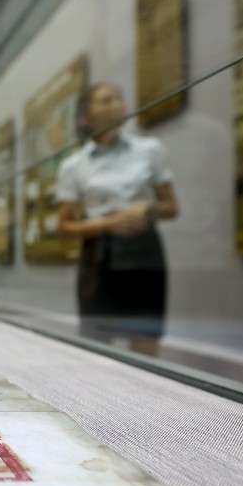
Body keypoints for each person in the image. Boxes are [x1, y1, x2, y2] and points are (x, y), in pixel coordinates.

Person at [57, 83, 178, 357]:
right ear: (86, 115)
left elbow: (171, 207)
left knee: (145, 337)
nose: (116, 104)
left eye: (119, 98)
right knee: (98, 341)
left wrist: (147, 209)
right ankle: (102, 401)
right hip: (99, 253)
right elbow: (64, 227)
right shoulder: (74, 165)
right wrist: (107, 224)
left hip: (143, 249)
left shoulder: (149, 149)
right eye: (106, 100)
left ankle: (146, 399)